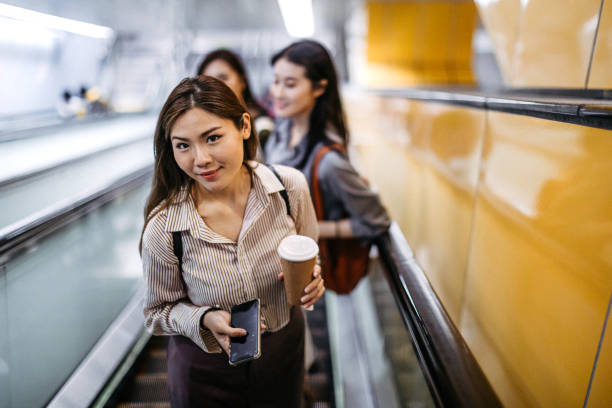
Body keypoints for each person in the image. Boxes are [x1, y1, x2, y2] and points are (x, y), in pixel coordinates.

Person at [140, 76, 325, 408]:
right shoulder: (166, 228)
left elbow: (310, 255)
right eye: (183, 145)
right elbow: (156, 312)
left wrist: (313, 281)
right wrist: (205, 318)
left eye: (212, 138)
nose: (201, 160)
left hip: (283, 350)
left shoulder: (288, 189)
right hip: (206, 368)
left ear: (244, 126)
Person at [264, 39, 390, 252]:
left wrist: (312, 228)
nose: (278, 92)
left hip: (313, 265)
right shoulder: (282, 128)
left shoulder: (328, 162)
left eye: (290, 84)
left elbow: (377, 220)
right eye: (276, 81)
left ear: (319, 88)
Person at [197, 49, 274, 148]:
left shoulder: (262, 126)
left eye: (223, 78)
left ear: (242, 81)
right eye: (208, 81)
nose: (216, 86)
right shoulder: (201, 124)